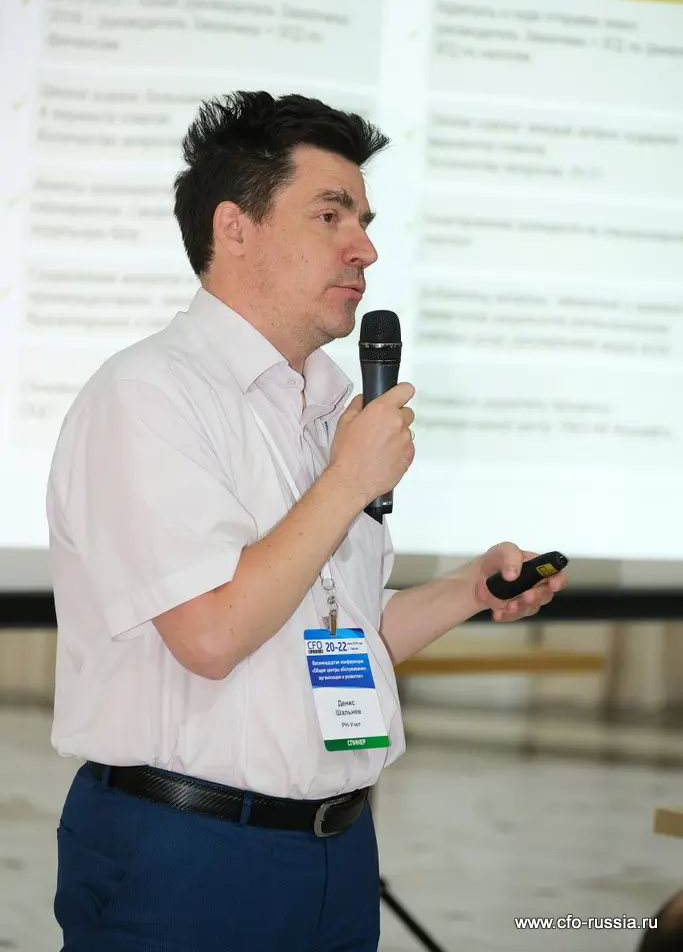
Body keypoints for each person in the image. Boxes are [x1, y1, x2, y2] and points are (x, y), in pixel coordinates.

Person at [47, 90, 567, 952]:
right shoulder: (148, 397)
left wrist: (467, 591)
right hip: (188, 851)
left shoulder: (326, 409)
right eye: (330, 215)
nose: (364, 247)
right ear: (235, 227)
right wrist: (346, 480)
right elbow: (213, 633)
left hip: (337, 849)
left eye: (363, 220)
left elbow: (332, 635)